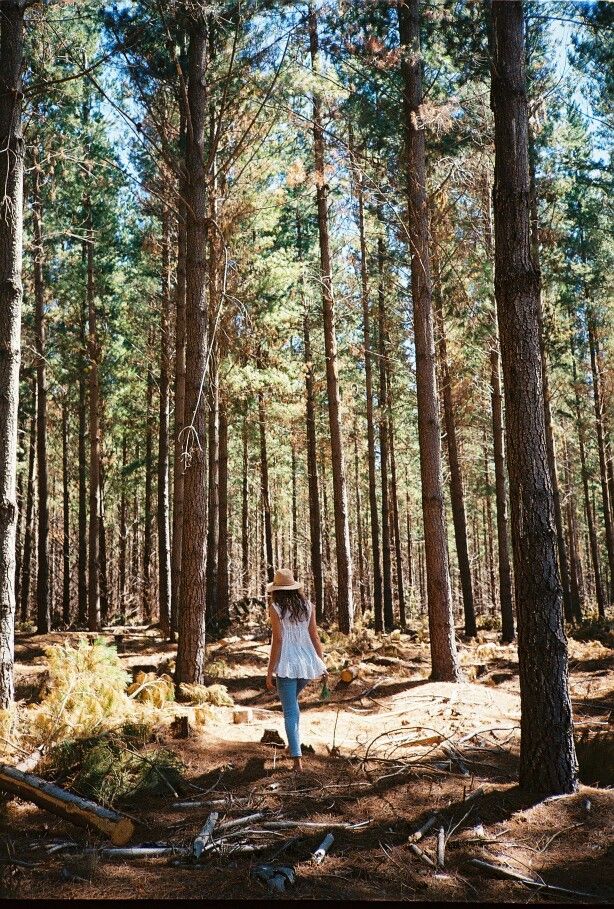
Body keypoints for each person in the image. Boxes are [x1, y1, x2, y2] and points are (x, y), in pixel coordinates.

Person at [265, 568, 327, 771]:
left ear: (277, 590)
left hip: (287, 664)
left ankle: (297, 759)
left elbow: (278, 640)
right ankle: (294, 746)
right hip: (307, 664)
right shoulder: (308, 606)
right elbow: (315, 636)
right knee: (293, 708)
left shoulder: (275, 608)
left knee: (290, 711)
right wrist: (321, 662)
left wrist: (270, 670)